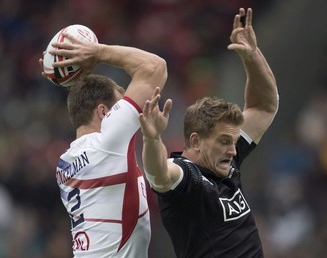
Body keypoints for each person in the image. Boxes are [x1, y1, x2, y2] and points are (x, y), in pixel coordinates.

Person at [139, 8, 278, 258]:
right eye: (224, 141)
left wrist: (252, 56)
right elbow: (159, 173)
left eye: (233, 141)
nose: (234, 149)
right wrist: (151, 139)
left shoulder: (227, 161)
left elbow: (265, 106)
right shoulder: (187, 178)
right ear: (196, 141)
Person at [39, 31, 167, 257]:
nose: (136, 113)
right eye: (121, 104)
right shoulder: (108, 142)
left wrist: (62, 72)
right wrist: (97, 53)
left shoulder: (65, 163)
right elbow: (155, 67)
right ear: (104, 112)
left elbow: (83, 95)